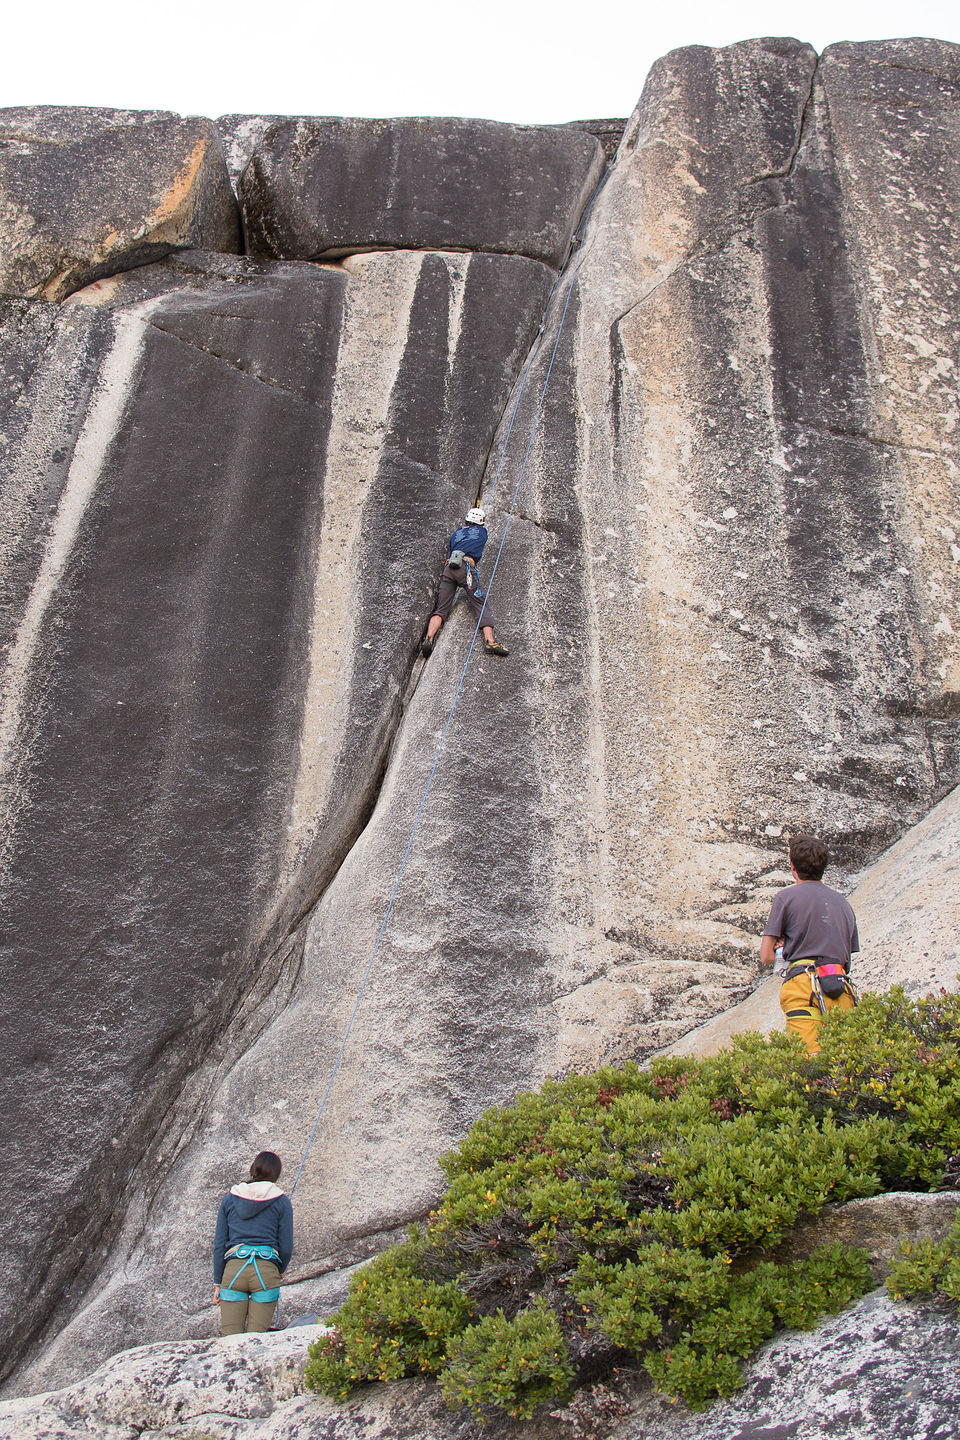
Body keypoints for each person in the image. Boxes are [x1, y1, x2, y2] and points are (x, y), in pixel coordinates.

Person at [760, 833, 859, 1055]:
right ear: (823, 867)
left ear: (792, 866)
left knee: (808, 1063)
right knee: (843, 1063)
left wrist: (780, 946)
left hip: (804, 986)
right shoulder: (844, 904)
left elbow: (766, 956)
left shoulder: (785, 898)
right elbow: (846, 959)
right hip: (840, 986)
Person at [213, 1151, 293, 1335]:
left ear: (253, 1170)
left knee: (230, 1342)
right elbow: (286, 1247)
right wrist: (279, 1271)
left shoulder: (229, 1199)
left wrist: (218, 1282)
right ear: (276, 1174)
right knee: (257, 1342)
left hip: (234, 1271)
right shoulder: (282, 1202)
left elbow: (219, 1245)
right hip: (266, 1271)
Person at [421, 506, 509, 658]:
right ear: (481, 521)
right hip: (466, 568)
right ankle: (490, 641)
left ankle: (429, 638)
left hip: (449, 568)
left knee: (441, 609)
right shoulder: (482, 532)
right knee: (480, 603)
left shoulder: (456, 533)